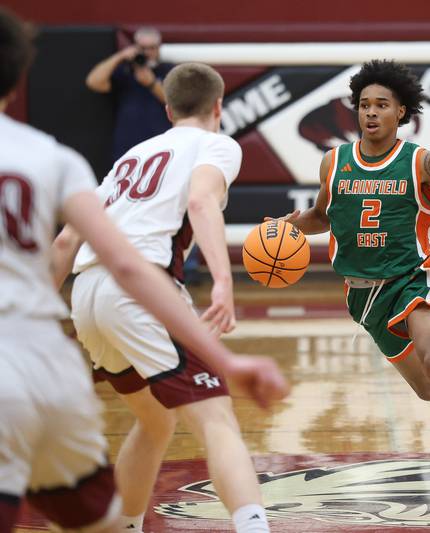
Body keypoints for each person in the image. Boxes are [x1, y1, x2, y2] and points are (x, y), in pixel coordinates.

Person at [0, 10, 287, 533]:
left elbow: (66, 240)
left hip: (86, 295)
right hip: (140, 289)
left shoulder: (131, 156)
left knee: (156, 420)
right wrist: (223, 282)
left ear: (169, 108)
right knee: (217, 417)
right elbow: (202, 203)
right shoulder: (217, 144)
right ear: (218, 106)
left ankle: (126, 526)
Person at [281, 59, 430, 511]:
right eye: (364, 104)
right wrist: (289, 226)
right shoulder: (334, 161)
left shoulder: (421, 161)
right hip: (362, 295)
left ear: (401, 112)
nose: (371, 112)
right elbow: (323, 217)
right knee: (428, 390)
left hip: (411, 278)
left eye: (382, 104)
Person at [86, 27, 173, 161]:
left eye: (152, 48)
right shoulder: (125, 71)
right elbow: (94, 82)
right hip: (128, 146)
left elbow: (176, 102)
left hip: (161, 146)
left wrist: (152, 84)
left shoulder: (168, 70)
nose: (148, 53)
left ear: (159, 48)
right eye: (143, 48)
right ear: (135, 47)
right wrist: (120, 56)